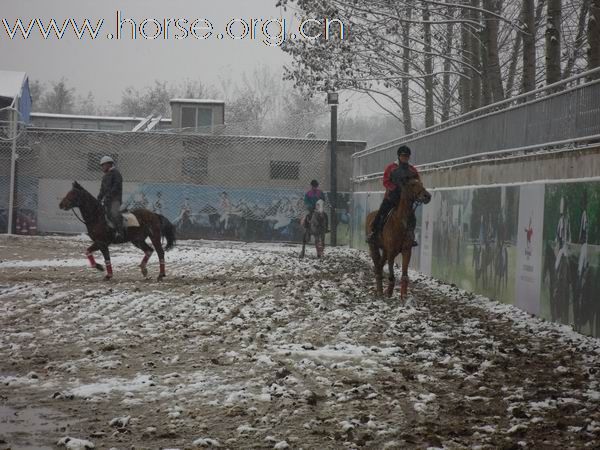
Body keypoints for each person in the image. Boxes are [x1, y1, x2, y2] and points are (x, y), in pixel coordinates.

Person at [367, 145, 419, 245]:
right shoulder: (390, 168)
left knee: (412, 217)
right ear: (399, 156)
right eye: (403, 156)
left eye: (407, 156)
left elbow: (417, 182)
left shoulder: (412, 170)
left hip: (406, 200)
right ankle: (374, 233)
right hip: (391, 198)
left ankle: (411, 236)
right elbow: (385, 182)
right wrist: (395, 188)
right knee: (382, 213)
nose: (405, 158)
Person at [97, 155, 124, 239]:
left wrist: (109, 195)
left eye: (103, 165)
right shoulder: (105, 176)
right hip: (107, 200)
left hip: (115, 200)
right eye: (101, 166)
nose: (102, 167)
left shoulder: (116, 173)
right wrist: (99, 198)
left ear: (109, 164)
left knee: (113, 214)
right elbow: (102, 189)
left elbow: (116, 187)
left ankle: (120, 232)